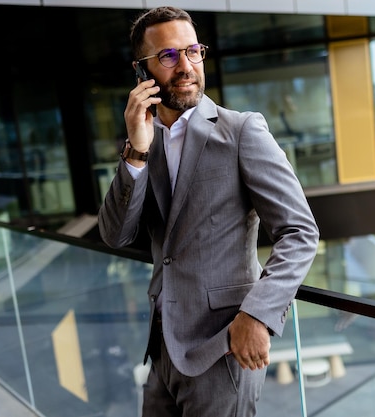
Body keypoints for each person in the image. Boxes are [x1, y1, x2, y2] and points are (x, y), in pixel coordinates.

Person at [98, 6, 319, 417]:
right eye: (167, 56)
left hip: (225, 346)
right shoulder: (143, 141)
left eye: (193, 51)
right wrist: (135, 151)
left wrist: (258, 316)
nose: (185, 66)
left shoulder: (241, 131)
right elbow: (116, 235)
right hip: (163, 347)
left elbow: (300, 232)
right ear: (140, 71)